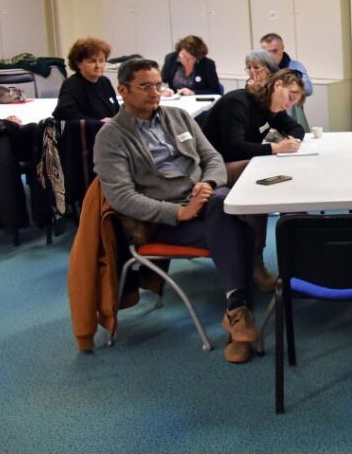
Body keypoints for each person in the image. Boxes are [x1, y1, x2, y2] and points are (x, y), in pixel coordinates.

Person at [94, 58, 259, 364]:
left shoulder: (178, 116)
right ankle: (239, 314)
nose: (154, 92)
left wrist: (207, 183)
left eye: (158, 85)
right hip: (164, 221)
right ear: (123, 90)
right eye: (145, 86)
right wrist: (178, 213)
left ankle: (237, 315)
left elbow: (212, 157)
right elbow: (122, 197)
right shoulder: (111, 136)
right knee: (237, 229)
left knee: (222, 206)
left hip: (206, 201)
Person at [201, 68, 306, 291]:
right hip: (212, 169)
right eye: (290, 97)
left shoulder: (271, 108)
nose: (289, 105)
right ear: (277, 85)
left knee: (272, 174)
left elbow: (296, 127)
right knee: (258, 178)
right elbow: (234, 147)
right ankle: (255, 260)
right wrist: (276, 148)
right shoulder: (237, 103)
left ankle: (297, 242)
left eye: (294, 102)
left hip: (236, 163)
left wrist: (292, 140)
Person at [53, 38, 120, 122]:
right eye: (92, 61)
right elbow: (64, 113)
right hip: (90, 129)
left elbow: (116, 109)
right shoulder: (72, 85)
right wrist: (97, 122)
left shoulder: (105, 81)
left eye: (101, 61)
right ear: (78, 63)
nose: (98, 65)